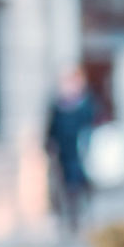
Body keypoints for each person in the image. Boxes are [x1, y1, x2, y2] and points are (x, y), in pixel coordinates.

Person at [45, 66, 100, 234]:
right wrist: (48, 145)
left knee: (79, 185)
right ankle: (70, 219)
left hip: (81, 153)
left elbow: (92, 125)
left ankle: (81, 217)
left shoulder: (86, 103)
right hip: (63, 153)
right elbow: (51, 128)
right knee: (65, 187)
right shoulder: (58, 105)